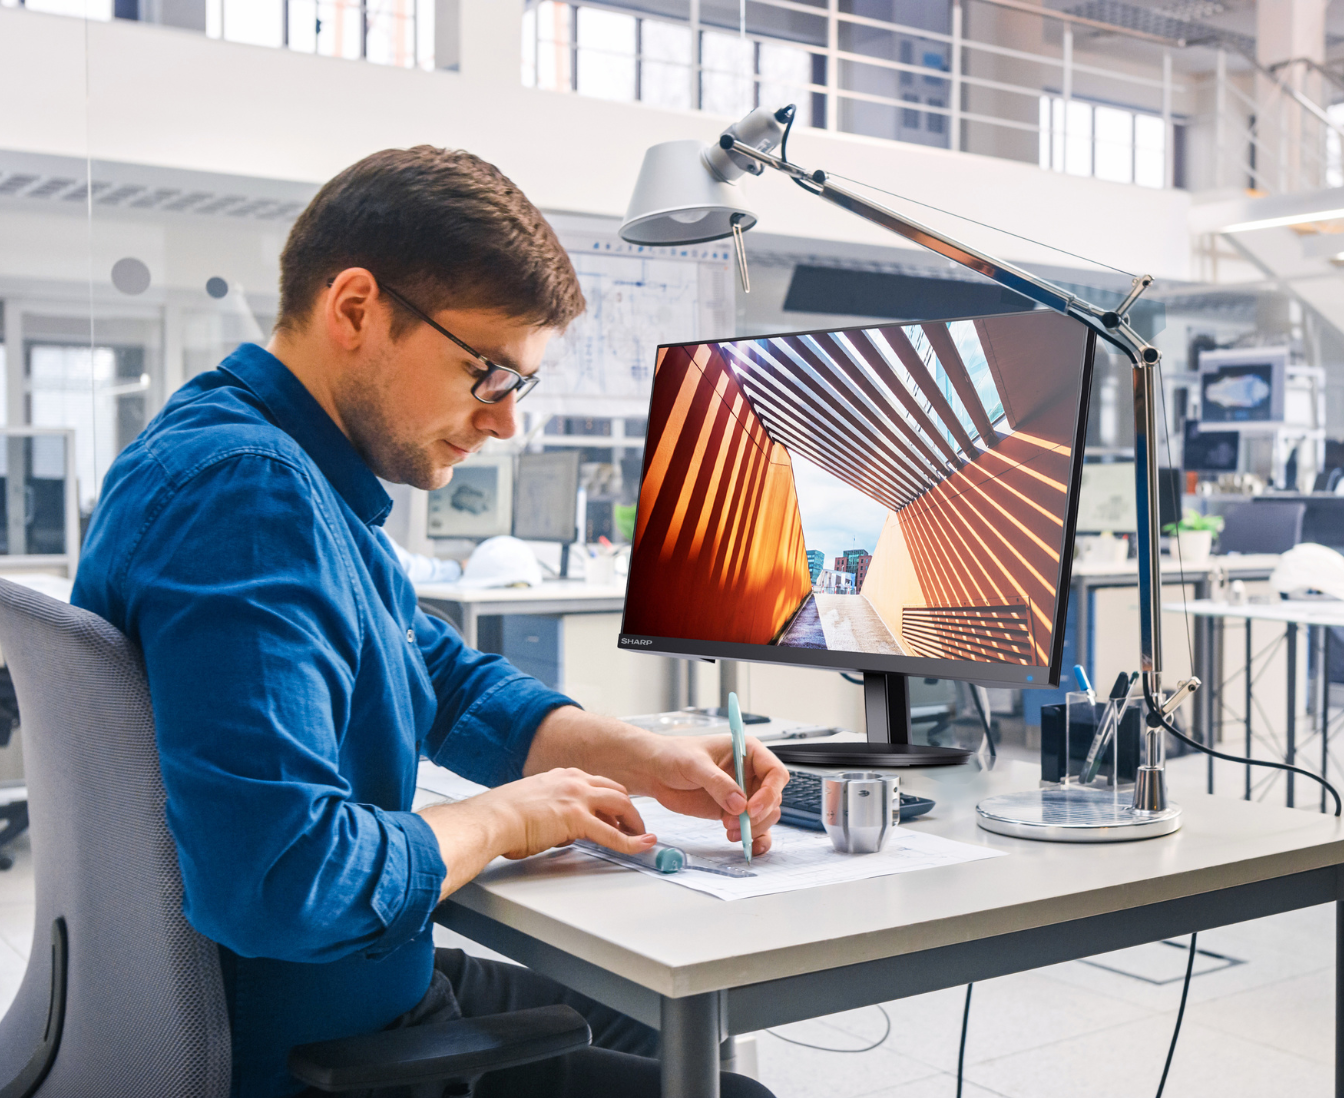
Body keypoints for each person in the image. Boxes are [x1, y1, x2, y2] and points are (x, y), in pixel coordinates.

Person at [72, 146, 786, 1098]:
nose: (504, 425)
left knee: (666, 1023)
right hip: (302, 1041)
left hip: (326, 990)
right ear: (356, 309)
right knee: (729, 1089)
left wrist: (641, 757)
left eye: (517, 386)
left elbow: (437, 676)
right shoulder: (250, 499)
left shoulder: (273, 462)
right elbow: (285, 881)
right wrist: (503, 817)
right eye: (488, 374)